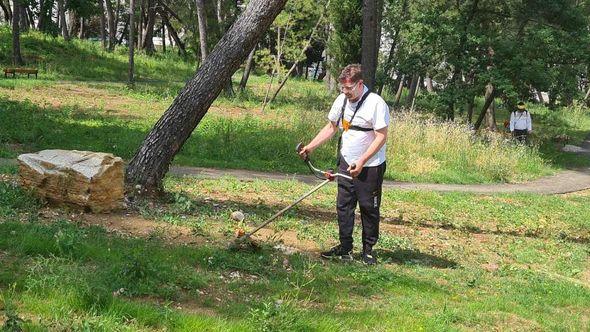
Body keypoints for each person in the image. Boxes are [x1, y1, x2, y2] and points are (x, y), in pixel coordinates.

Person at [298, 64, 390, 265]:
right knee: (344, 206)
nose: (345, 92)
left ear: (360, 84)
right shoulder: (341, 101)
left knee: (369, 208)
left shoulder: (376, 103)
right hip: (346, 162)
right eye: (343, 88)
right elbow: (331, 127)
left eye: (349, 88)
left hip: (370, 165)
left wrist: (363, 160)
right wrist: (311, 147)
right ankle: (345, 247)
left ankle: (368, 250)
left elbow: (381, 136)